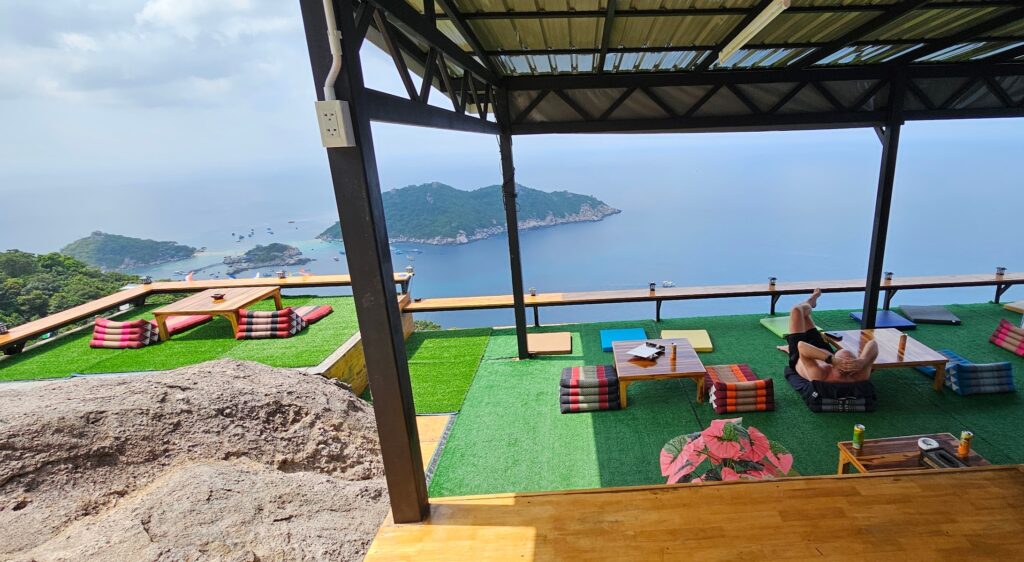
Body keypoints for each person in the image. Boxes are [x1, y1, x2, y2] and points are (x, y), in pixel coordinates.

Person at [785, 289, 878, 383]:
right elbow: (873, 344)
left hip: (801, 355)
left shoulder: (821, 374)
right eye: (851, 361)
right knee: (804, 315)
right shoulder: (859, 375)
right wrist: (863, 361)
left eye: (843, 362)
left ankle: (810, 302)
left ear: (833, 366)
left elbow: (801, 345)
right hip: (822, 350)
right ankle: (810, 303)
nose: (847, 364)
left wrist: (832, 360)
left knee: (796, 310)